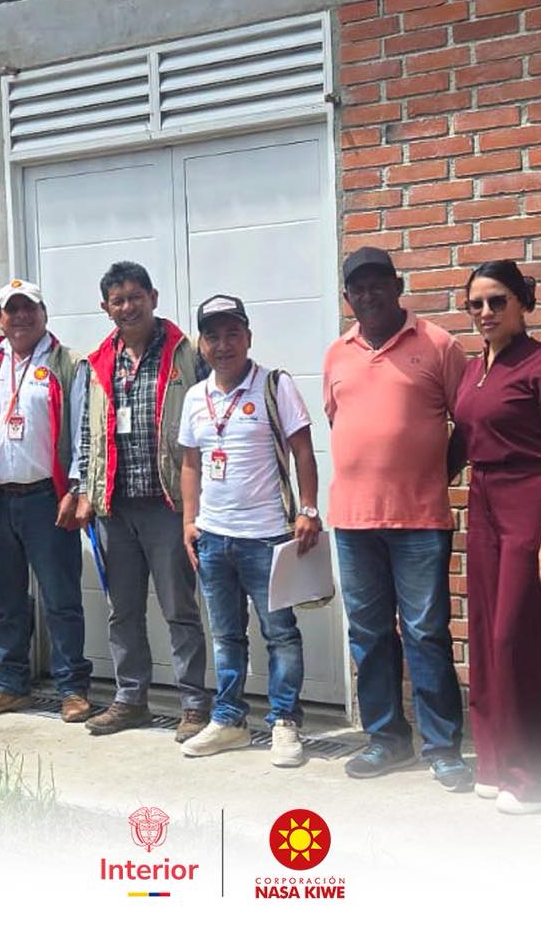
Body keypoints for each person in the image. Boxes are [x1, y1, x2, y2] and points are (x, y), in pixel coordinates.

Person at [323, 246, 469, 789]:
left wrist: (436, 470)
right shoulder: (336, 353)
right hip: (354, 522)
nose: (368, 295)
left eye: (378, 284)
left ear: (397, 285)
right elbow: (340, 421)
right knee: (368, 635)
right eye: (357, 288)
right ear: (348, 297)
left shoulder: (438, 345)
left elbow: (469, 423)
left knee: (426, 632)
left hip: (419, 521)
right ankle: (386, 740)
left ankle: (443, 747)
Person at [448, 260, 541, 814]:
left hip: (531, 498)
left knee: (515, 639)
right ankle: (495, 760)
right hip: (484, 502)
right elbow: (460, 441)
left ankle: (539, 778)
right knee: (483, 636)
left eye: (497, 301)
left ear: (523, 302)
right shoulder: (474, 369)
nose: (485, 313)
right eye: (475, 304)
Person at [177, 295, 322, 767]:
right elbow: (191, 463)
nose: (223, 345)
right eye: (213, 335)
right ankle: (230, 720)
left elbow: (303, 452)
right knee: (225, 635)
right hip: (214, 538)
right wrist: (189, 520)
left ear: (248, 337)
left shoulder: (273, 386)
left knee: (280, 633)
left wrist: (309, 509)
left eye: (232, 333)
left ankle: (284, 721)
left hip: (268, 537)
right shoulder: (196, 397)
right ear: (202, 344)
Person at [73, 261, 211, 740]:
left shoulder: (187, 354)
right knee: (123, 610)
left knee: (180, 608)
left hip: (168, 503)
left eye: (135, 297)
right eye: (118, 300)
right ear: (106, 308)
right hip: (115, 505)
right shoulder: (96, 363)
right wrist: (86, 491)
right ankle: (131, 698)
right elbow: (87, 432)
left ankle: (194, 704)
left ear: (153, 297)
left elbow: (210, 419)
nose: (127, 307)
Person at [0, 280, 94, 724]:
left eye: (28, 308)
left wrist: (76, 489)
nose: (20, 317)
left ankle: (73, 689)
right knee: (3, 600)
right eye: (11, 311)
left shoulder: (68, 363)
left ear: (43, 313)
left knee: (61, 598)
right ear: (0, 319)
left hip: (47, 500)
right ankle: (9, 685)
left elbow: (84, 433)